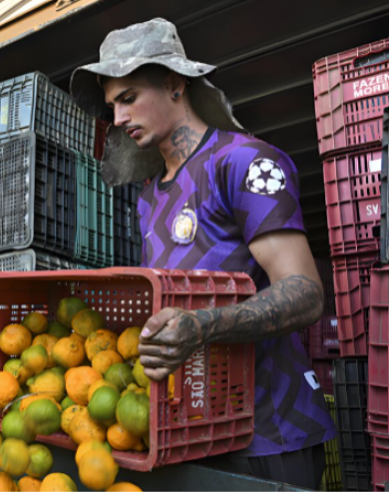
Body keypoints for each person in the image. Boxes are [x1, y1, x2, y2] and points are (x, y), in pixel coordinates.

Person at [69, 18, 336, 489]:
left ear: (175, 84)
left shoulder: (244, 162)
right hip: (194, 432)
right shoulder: (149, 198)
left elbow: (305, 293)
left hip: (271, 431)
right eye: (112, 106)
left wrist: (203, 326)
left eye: (129, 98)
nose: (118, 119)